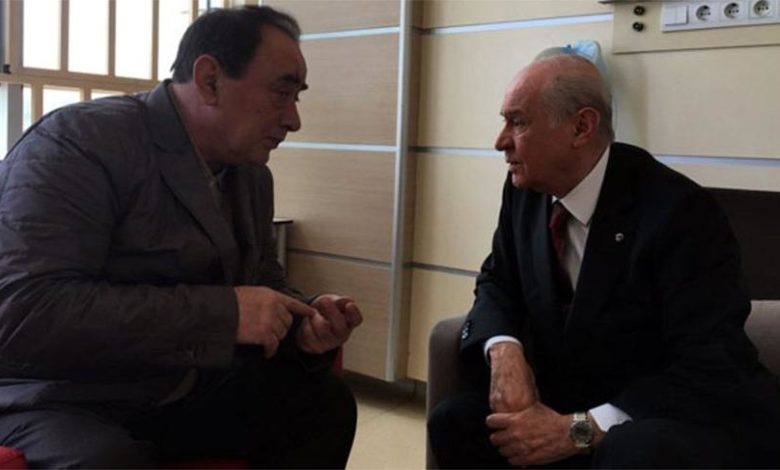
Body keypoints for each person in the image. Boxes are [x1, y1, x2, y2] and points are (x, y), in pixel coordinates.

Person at [0, 6, 362, 468]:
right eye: (281, 92)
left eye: (297, 98)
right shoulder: (77, 143)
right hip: (55, 393)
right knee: (107, 462)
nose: (294, 119)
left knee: (323, 405)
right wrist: (226, 313)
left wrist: (304, 321)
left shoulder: (251, 176)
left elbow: (262, 280)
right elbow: (26, 311)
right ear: (210, 80)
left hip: (173, 384)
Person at [427, 53, 780, 468]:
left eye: (518, 122)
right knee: (456, 421)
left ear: (581, 127)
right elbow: (497, 279)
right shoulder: (525, 191)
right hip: (570, 394)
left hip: (664, 412)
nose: (500, 141)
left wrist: (579, 429)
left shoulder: (680, 213)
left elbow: (711, 360)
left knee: (629, 451)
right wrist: (504, 350)